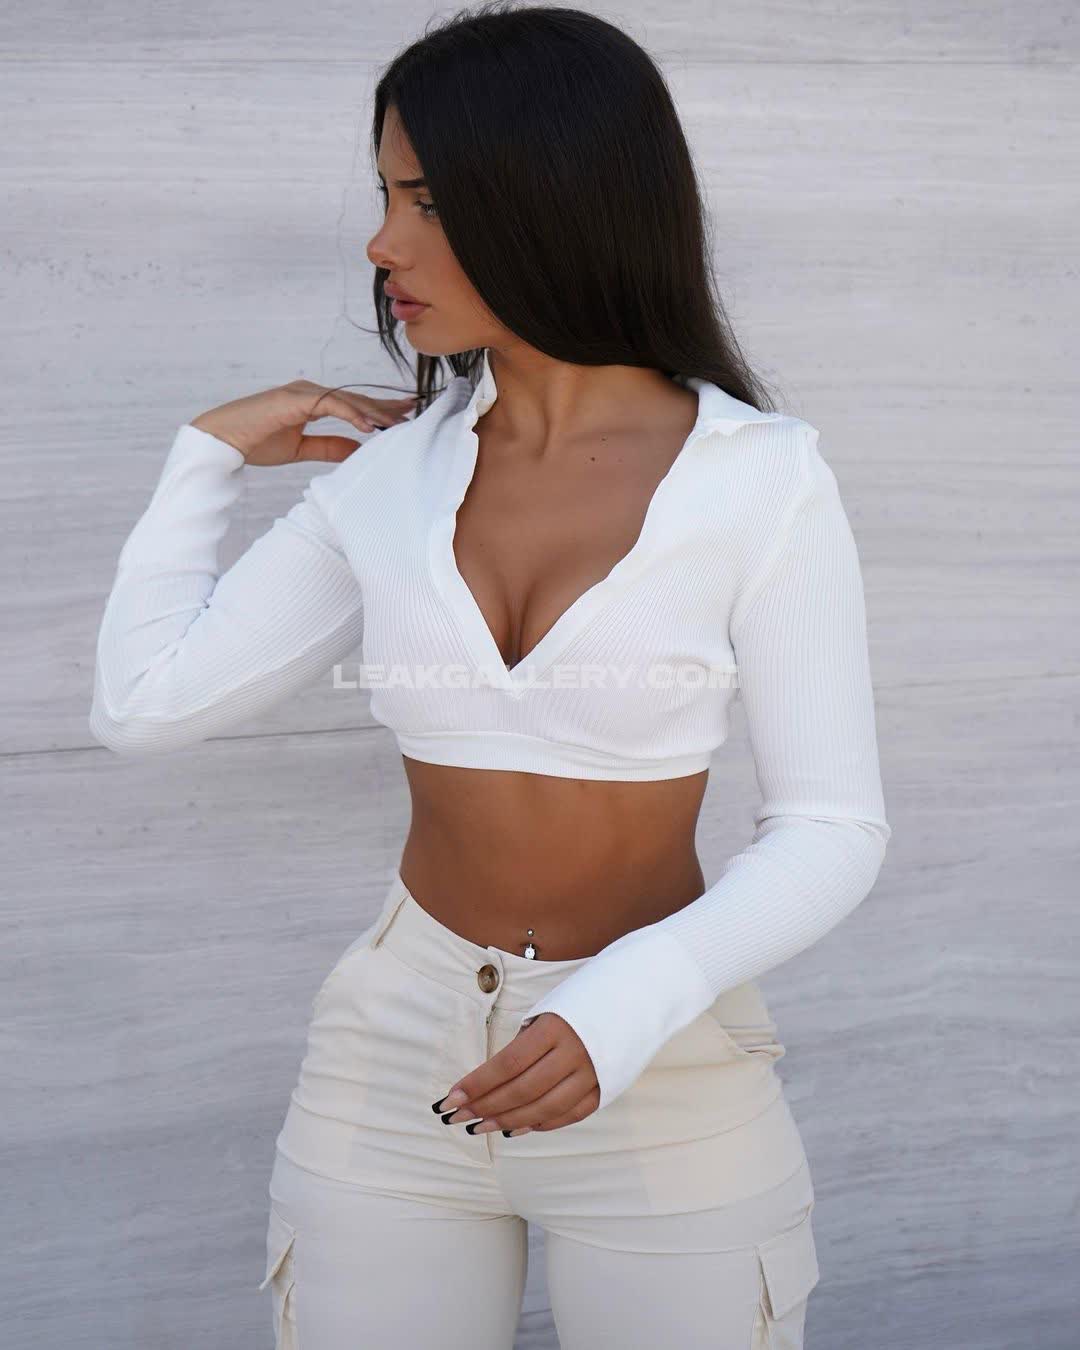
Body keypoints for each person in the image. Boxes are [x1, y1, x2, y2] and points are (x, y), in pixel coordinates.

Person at [89, 6, 892, 1347]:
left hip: (663, 1059)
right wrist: (204, 457)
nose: (381, 243)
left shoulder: (762, 480)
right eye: (385, 196)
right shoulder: (391, 477)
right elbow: (143, 704)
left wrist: (628, 1001)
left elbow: (832, 827)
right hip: (392, 1053)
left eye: (428, 201)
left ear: (555, 200)